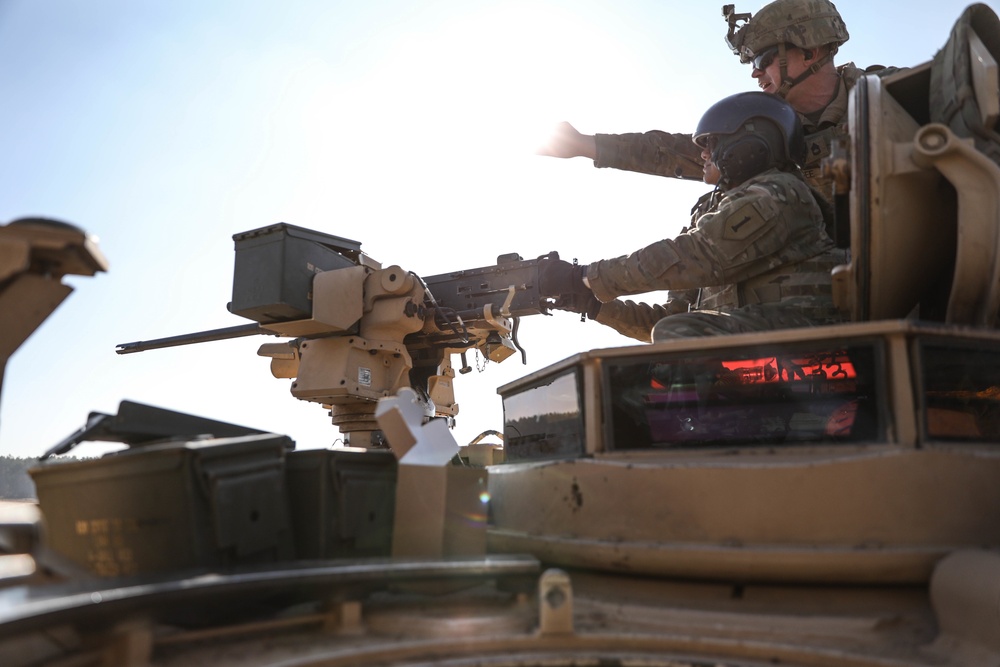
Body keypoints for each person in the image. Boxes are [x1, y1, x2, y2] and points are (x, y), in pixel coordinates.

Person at [538, 91, 847, 343]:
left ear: (750, 145)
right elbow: (667, 321)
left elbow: (697, 254)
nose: (701, 154)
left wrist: (587, 277)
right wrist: (594, 305)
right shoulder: (715, 207)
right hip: (764, 350)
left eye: (710, 144)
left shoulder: (780, 193)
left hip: (810, 345)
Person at [539, 0, 894, 204]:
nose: (755, 75)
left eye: (761, 61)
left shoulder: (892, 94)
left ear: (810, 51)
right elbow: (671, 151)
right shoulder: (763, 132)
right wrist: (586, 145)